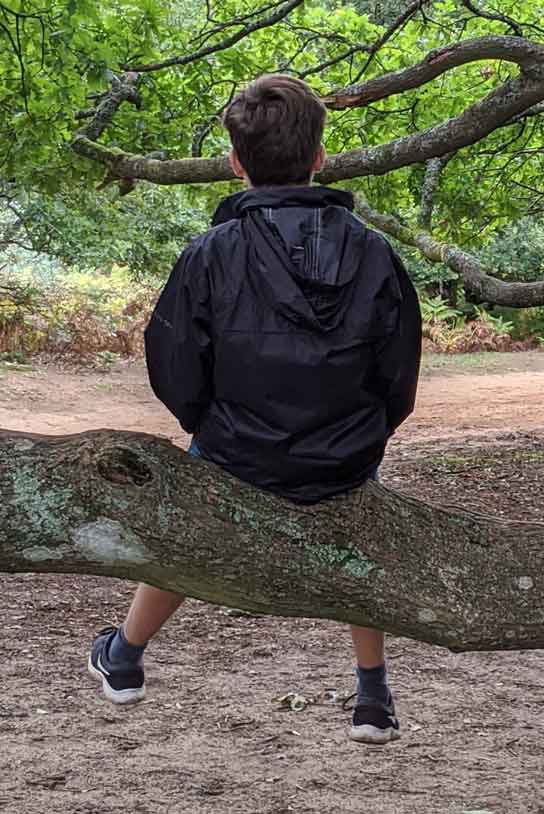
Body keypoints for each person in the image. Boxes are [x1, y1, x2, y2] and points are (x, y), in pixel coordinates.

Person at [87, 74, 421, 746]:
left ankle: (124, 657)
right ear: (320, 156)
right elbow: (399, 372)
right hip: (345, 457)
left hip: (236, 451)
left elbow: (174, 367)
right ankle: (373, 695)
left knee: (185, 521)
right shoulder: (376, 252)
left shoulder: (210, 254)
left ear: (235, 162)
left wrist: (212, 428)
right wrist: (362, 435)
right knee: (362, 525)